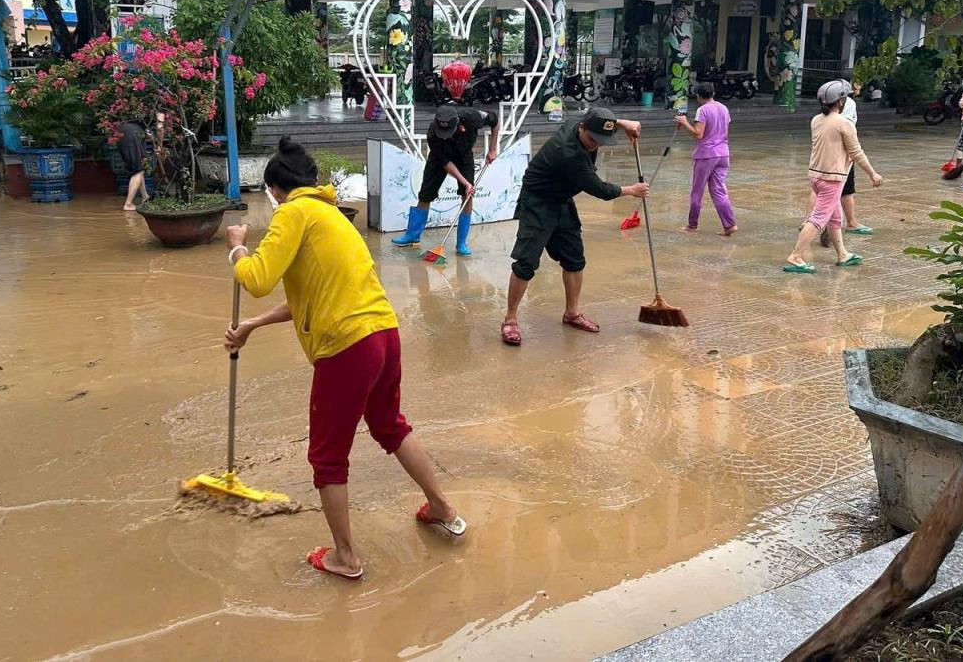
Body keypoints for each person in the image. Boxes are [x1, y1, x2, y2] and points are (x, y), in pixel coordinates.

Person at [225, 137, 465, 581]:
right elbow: (309, 299)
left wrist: (237, 246)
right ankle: (442, 508)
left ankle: (346, 557)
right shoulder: (330, 216)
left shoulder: (293, 212)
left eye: (273, 196)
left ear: (277, 191)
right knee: (390, 425)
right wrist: (252, 327)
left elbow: (256, 278)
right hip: (383, 334)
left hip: (347, 348)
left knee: (328, 457)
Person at [500, 108, 649, 346]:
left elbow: (593, 117)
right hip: (538, 202)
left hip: (562, 200)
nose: (594, 146)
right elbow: (600, 190)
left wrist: (623, 123)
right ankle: (510, 320)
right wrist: (632, 190)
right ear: (582, 129)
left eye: (601, 141)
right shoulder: (569, 153)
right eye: (592, 139)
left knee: (574, 259)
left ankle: (572, 313)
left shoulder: (578, 123)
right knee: (526, 262)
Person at [785, 81, 884, 274]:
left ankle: (842, 254)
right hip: (832, 179)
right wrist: (873, 173)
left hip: (815, 175)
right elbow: (857, 153)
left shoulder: (816, 120)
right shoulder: (844, 124)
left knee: (835, 217)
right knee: (819, 218)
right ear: (840, 101)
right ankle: (796, 256)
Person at [391, 106, 500, 255]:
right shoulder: (432, 133)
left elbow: (495, 121)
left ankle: (461, 243)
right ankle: (412, 235)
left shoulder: (472, 117)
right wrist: (466, 183)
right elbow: (445, 163)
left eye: (448, 133)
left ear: (456, 124)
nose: (445, 136)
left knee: (467, 197)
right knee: (425, 194)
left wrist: (493, 149)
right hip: (440, 159)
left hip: (463, 156)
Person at [675, 82, 736, 236]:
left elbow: (698, 133)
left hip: (707, 154)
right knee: (719, 190)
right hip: (723, 153)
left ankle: (692, 224)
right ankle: (729, 225)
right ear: (713, 93)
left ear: (698, 96)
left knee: (697, 191)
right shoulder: (724, 108)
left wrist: (684, 123)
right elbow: (724, 132)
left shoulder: (702, 110)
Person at [118, 120, 151, 212]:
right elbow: (160, 126)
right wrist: (160, 144)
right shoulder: (157, 108)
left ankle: (145, 196)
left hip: (122, 131)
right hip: (133, 134)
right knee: (138, 170)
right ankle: (128, 204)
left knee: (140, 167)